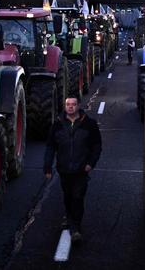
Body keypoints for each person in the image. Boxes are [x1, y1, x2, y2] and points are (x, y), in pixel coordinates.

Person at [44, 96, 102, 242]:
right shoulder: (57, 125)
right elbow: (50, 147)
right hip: (64, 169)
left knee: (78, 197)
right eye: (68, 104)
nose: (70, 107)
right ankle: (69, 216)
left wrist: (91, 163)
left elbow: (97, 146)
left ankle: (76, 228)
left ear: (78, 106)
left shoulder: (89, 124)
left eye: (73, 104)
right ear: (65, 106)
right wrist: (47, 166)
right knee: (68, 196)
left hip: (81, 169)